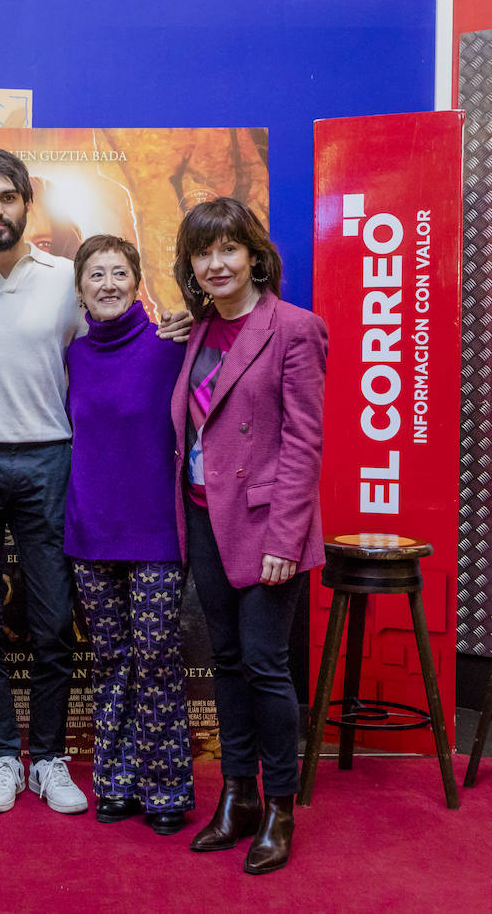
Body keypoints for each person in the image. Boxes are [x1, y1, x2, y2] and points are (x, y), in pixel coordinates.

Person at [0, 148, 192, 818]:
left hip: (50, 460)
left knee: (52, 623)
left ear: (25, 203)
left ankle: (46, 758)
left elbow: (113, 345)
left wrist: (178, 328)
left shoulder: (62, 280)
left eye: (6, 198)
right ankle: (1, 758)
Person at [170, 197, 326, 875]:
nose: (216, 263)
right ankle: (237, 798)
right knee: (226, 662)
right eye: (203, 253)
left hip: (268, 528)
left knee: (265, 666)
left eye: (228, 249)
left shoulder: (295, 328)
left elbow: (303, 443)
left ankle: (281, 807)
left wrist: (286, 542)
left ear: (255, 255)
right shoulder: (199, 332)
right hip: (204, 515)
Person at [63, 235, 194, 836]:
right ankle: (115, 782)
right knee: (109, 660)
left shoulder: (175, 345)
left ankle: (166, 784)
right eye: (96, 275)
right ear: (80, 288)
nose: (108, 284)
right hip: (90, 530)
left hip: (157, 533)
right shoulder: (73, 356)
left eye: (119, 272)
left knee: (158, 658)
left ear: (137, 280)